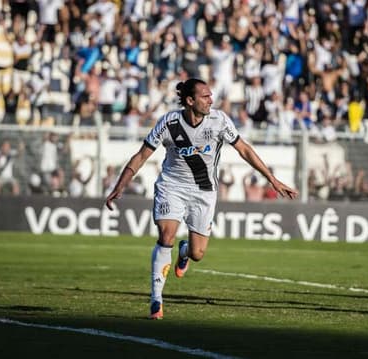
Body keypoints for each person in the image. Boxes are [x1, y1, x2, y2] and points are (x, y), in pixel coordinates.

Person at [104, 78, 298, 319]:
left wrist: (272, 178)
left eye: (210, 95)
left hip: (204, 191)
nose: (211, 100)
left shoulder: (218, 121)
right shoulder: (169, 122)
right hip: (171, 186)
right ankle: (156, 299)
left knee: (198, 253)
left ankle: (184, 252)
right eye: (205, 96)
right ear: (190, 100)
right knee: (166, 236)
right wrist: (119, 186)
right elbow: (141, 155)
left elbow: (244, 149)